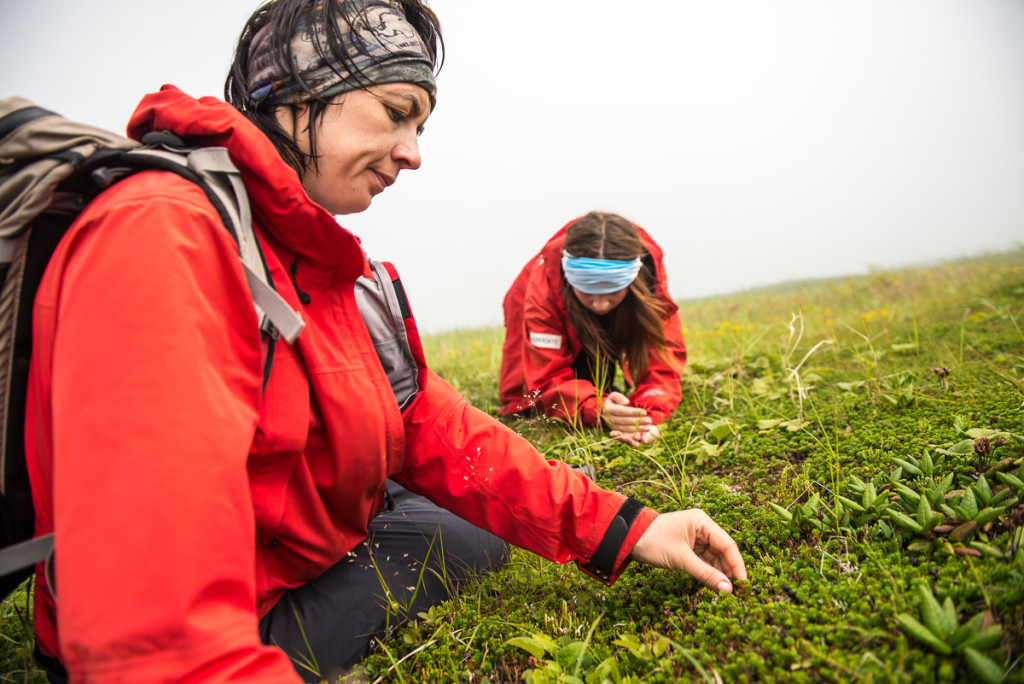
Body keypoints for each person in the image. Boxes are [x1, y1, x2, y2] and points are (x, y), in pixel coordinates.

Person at [23, 2, 745, 682]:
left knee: (445, 508)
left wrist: (627, 528)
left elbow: (429, 425)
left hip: (286, 553)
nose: (413, 153)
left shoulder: (325, 261)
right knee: (458, 536)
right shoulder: (163, 234)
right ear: (296, 92)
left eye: (422, 127)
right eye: (398, 113)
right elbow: (155, 632)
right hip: (242, 623)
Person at [500, 212, 688, 445]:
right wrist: (595, 408)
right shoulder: (544, 286)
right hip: (534, 303)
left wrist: (645, 415)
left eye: (612, 291)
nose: (600, 304)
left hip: (616, 300)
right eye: (587, 290)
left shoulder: (649, 275)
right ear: (570, 278)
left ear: (633, 280)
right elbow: (545, 373)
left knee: (600, 382)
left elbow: (664, 360)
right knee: (526, 403)